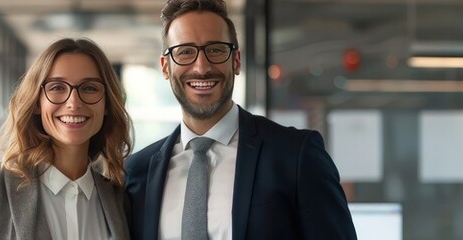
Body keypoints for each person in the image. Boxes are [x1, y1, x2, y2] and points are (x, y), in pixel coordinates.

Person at [124, 0, 357, 239]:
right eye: (185, 52)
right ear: (165, 67)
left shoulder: (296, 155)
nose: (202, 67)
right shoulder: (137, 174)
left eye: (215, 50)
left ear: (236, 60)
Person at [0, 38, 132, 240]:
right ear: (37, 102)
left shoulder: (118, 197)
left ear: (107, 104)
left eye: (89, 88)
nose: (73, 103)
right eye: (57, 87)